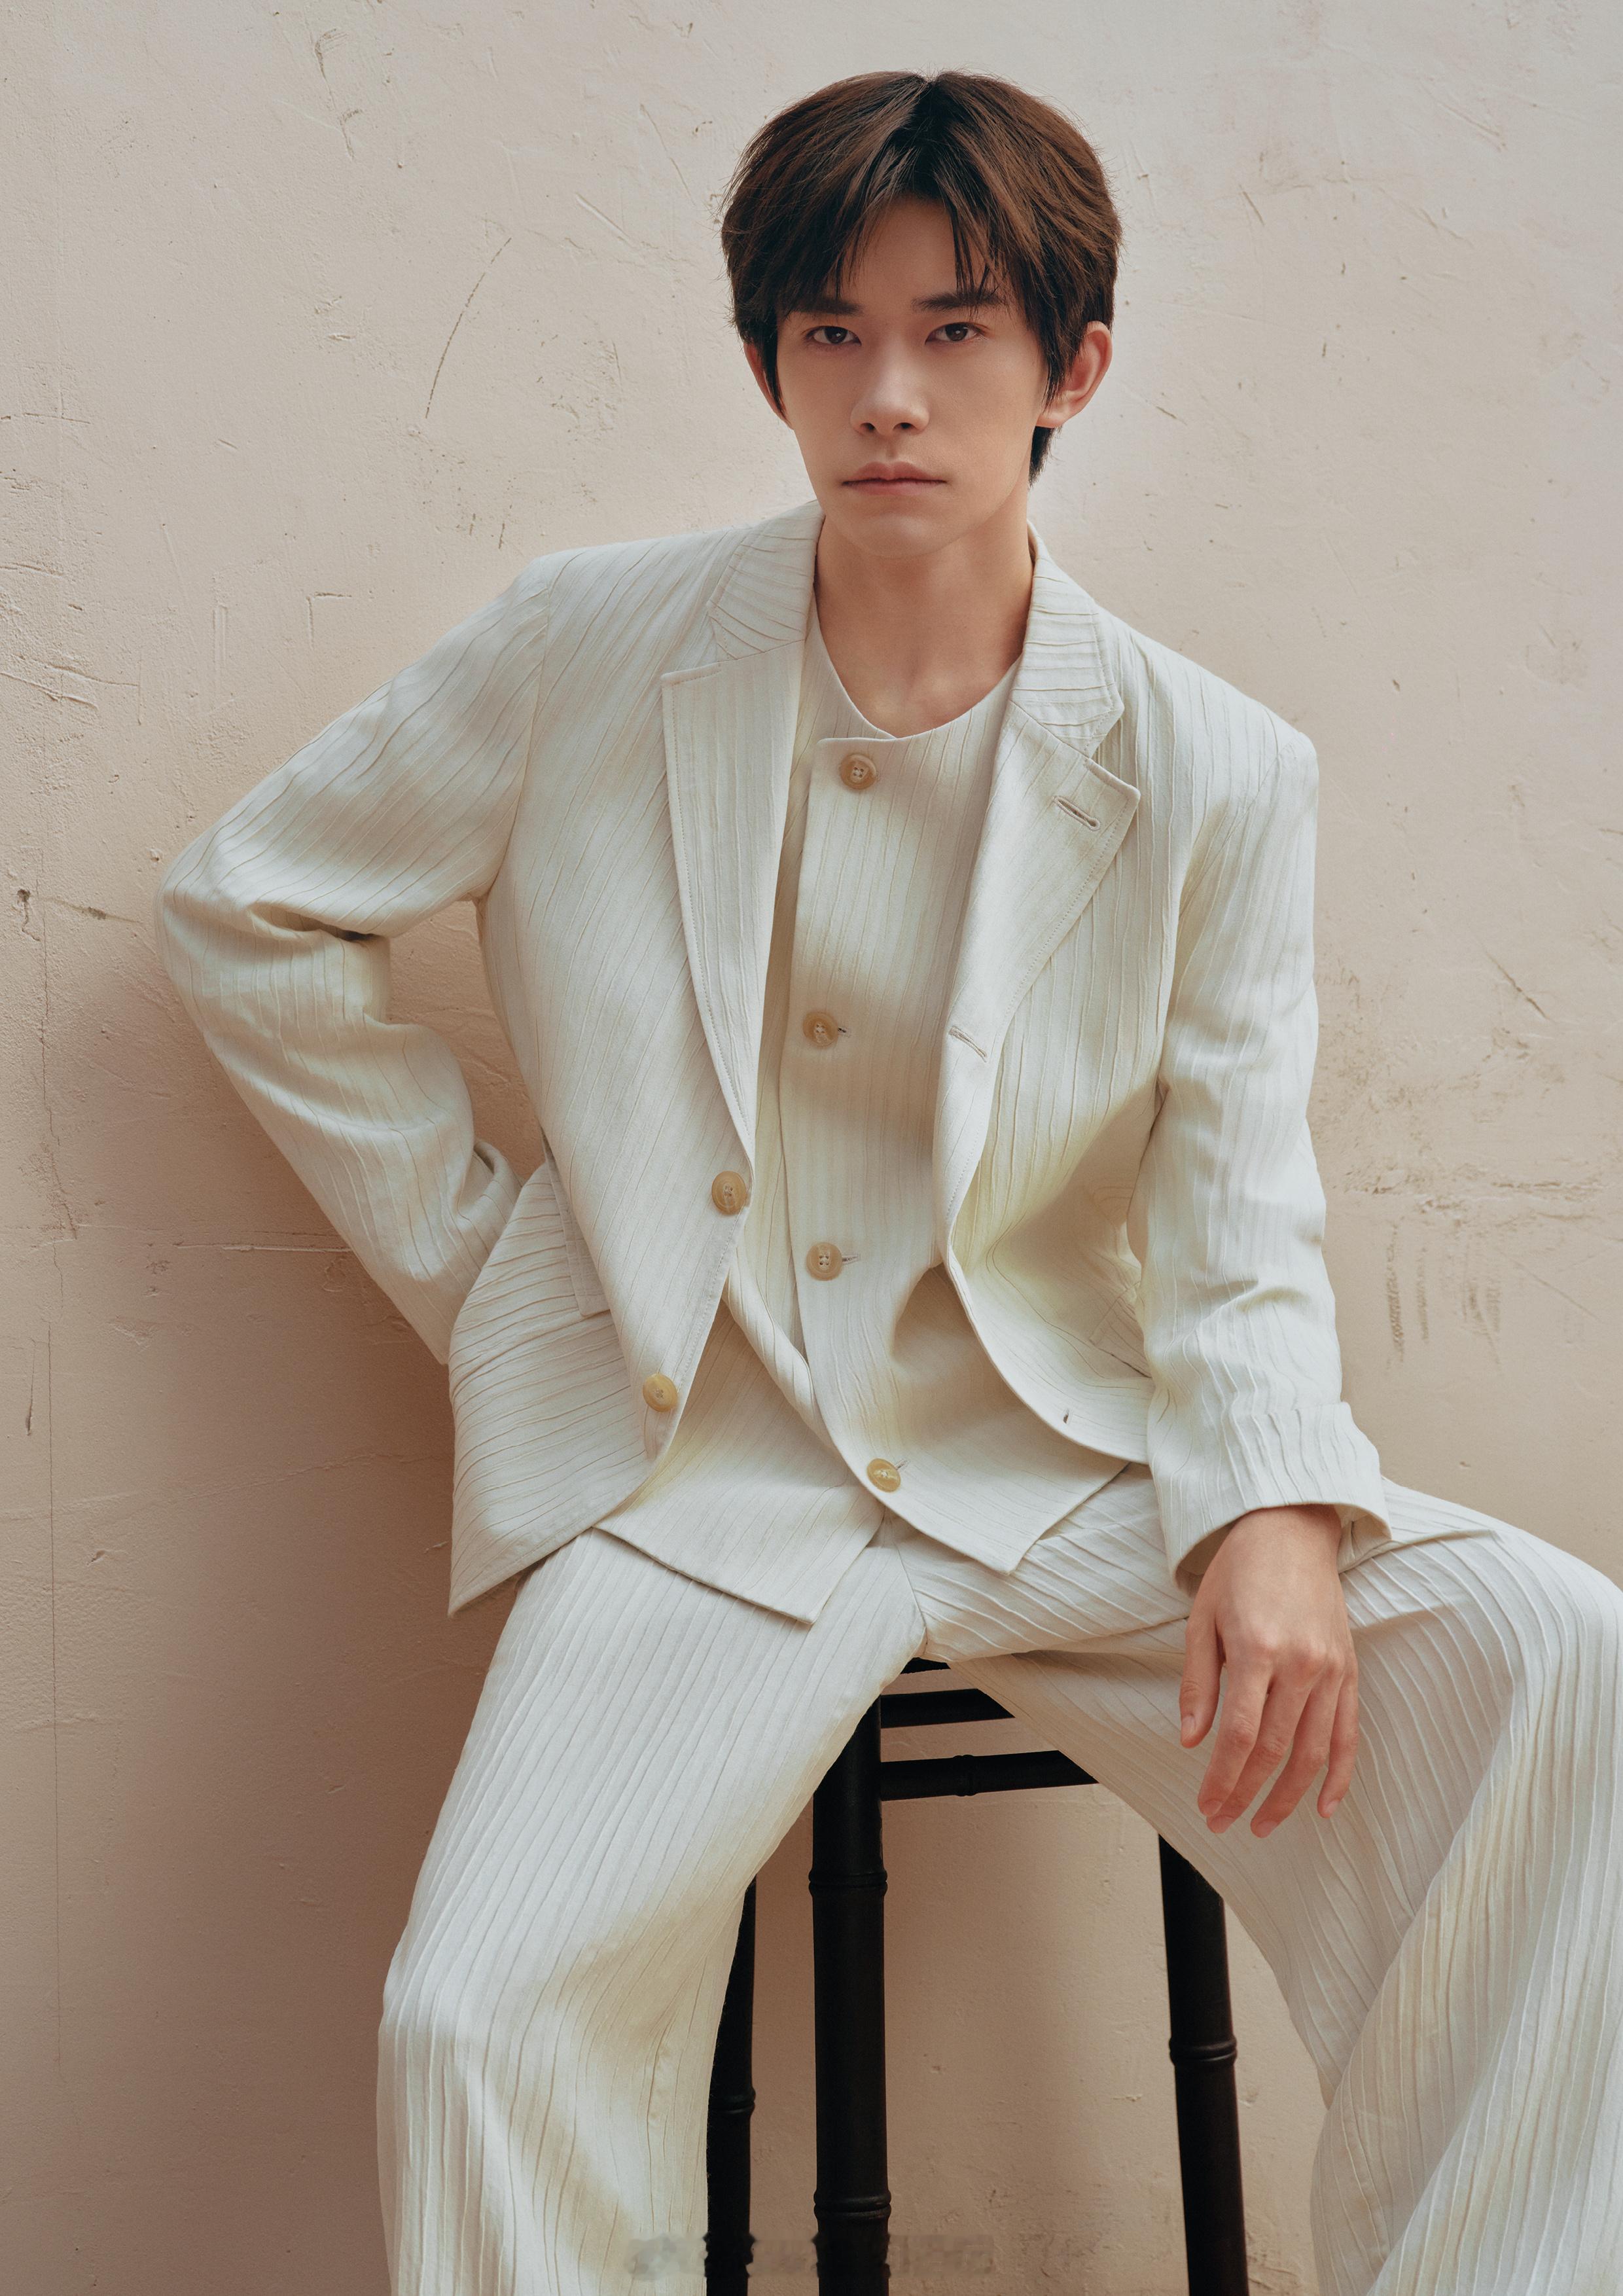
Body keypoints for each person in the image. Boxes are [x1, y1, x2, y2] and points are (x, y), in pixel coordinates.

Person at [154, 67, 1623, 2296]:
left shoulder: (1217, 768)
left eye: (956, 329)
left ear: (1074, 364)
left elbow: (1235, 1191)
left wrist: (1271, 1507)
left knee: (1556, 1658)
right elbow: (247, 906)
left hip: (1055, 1459)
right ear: (768, 360)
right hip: (696, 1486)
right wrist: (502, 1274)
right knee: (470, 2018)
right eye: (830, 333)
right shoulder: (587, 646)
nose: (890, 394)